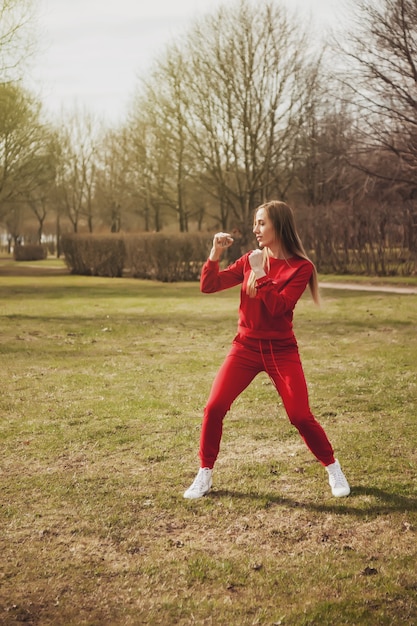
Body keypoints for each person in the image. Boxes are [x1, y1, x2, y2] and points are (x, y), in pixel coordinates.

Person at [183, 200, 350, 500]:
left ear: (279, 225)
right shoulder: (250, 259)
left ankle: (333, 467)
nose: (255, 229)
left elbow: (279, 308)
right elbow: (209, 286)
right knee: (214, 407)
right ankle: (204, 473)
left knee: (300, 415)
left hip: (281, 350)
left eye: (261, 223)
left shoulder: (302, 267)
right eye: (255, 223)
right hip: (245, 347)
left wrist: (260, 275)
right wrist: (215, 254)